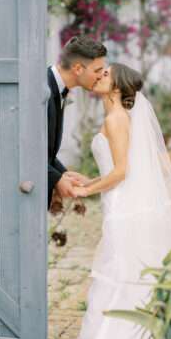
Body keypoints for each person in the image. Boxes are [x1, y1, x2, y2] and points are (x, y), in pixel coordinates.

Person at [63, 63, 171, 339]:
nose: (98, 77)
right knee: (119, 279)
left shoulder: (117, 118)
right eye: (98, 73)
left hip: (125, 212)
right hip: (122, 208)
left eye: (105, 75)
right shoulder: (116, 115)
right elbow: (115, 171)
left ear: (117, 87)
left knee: (123, 281)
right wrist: (89, 179)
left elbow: (122, 173)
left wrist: (85, 190)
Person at [47, 35, 107, 210]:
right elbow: (26, 147)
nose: (100, 76)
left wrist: (63, 175)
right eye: (97, 70)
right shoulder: (41, 88)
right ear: (78, 68)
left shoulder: (57, 88)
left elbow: (45, 151)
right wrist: (57, 179)